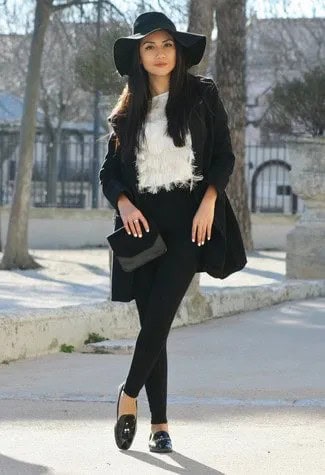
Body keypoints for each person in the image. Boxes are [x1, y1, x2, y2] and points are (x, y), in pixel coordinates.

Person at [99, 11, 247, 453]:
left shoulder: (202, 94)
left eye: (166, 45)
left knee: (161, 316)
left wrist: (210, 201)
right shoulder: (128, 111)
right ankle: (159, 424)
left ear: (178, 52)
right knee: (153, 325)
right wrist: (123, 202)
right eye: (149, 46)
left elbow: (223, 155)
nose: (159, 53)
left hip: (189, 223)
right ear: (139, 57)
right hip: (141, 226)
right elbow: (109, 172)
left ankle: (128, 396)